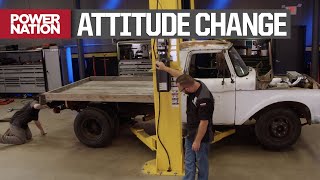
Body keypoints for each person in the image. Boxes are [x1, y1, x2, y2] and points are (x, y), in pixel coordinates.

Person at [156, 61, 214, 180]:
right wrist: (164, 68)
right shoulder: (193, 82)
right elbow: (180, 75)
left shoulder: (204, 99)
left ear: (188, 87)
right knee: (189, 161)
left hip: (201, 136)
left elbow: (204, 123)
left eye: (182, 91)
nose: (183, 93)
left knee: (201, 162)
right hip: (190, 132)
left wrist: (197, 141)